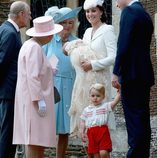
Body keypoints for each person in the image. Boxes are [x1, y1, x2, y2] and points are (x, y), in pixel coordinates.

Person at [13, 16, 63, 158]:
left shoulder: (31, 45)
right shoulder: (34, 48)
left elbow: (35, 71)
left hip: (31, 99)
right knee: (35, 139)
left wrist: (50, 70)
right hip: (34, 102)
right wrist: (38, 99)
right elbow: (32, 76)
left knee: (37, 140)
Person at [68, 0, 117, 138]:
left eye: (93, 10)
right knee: (87, 125)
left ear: (101, 11)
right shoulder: (87, 31)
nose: (90, 14)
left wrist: (93, 64)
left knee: (99, 125)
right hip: (86, 83)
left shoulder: (107, 30)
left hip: (100, 81)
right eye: (88, 11)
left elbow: (113, 57)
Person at [112, 0, 155, 158]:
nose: (116, 4)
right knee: (142, 121)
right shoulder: (145, 14)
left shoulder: (129, 12)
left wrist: (116, 71)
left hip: (131, 76)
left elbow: (123, 44)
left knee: (134, 122)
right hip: (143, 75)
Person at [43, 6, 81, 158]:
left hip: (71, 87)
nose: (67, 26)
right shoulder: (49, 40)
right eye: (64, 22)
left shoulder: (78, 42)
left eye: (71, 23)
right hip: (52, 88)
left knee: (65, 129)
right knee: (47, 127)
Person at [0, 1, 31, 158]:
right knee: (7, 134)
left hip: (7, 91)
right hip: (8, 91)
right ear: (21, 14)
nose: (30, 17)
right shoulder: (10, 33)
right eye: (29, 14)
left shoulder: (7, 29)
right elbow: (2, 62)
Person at [80, 83, 120, 158]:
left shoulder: (105, 106)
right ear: (90, 96)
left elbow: (115, 102)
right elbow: (83, 121)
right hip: (91, 133)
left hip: (102, 131)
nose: (95, 98)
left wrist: (119, 93)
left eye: (98, 96)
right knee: (96, 155)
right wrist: (82, 132)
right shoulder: (87, 110)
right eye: (93, 96)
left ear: (103, 97)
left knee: (103, 153)